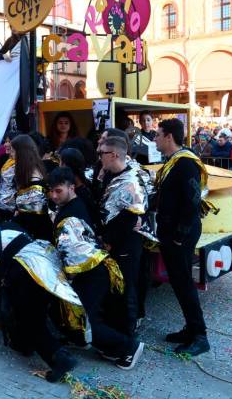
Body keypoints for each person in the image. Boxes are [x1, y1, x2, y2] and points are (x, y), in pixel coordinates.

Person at [0, 214, 80, 383]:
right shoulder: (9, 225)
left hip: (26, 279)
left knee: (32, 322)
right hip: (45, 271)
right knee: (32, 317)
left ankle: (61, 360)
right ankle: (25, 345)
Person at [48, 167, 144, 370]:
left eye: (58, 191)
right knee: (80, 316)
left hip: (91, 271)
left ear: (71, 187)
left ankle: (129, 348)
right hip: (93, 269)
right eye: (52, 191)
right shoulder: (75, 203)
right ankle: (105, 345)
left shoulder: (70, 214)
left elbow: (74, 252)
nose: (54, 196)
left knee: (84, 320)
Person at [153, 118, 211, 356]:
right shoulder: (172, 162)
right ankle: (190, 328)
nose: (154, 139)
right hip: (172, 231)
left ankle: (200, 336)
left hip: (180, 233)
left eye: (157, 134)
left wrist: (179, 236)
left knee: (184, 282)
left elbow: (192, 202)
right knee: (179, 282)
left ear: (169, 137)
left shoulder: (185, 163)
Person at [98, 136, 151, 338]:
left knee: (126, 287)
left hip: (125, 244)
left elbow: (131, 218)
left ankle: (128, 335)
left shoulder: (131, 182)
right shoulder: (109, 175)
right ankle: (115, 327)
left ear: (114, 155)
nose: (99, 157)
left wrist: (109, 241)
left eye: (102, 154)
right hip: (112, 241)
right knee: (115, 287)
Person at [11, 134, 53, 241]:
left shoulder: (34, 184)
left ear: (21, 154)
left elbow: (32, 221)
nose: (10, 154)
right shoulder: (32, 172)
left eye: (13, 151)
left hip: (37, 241)